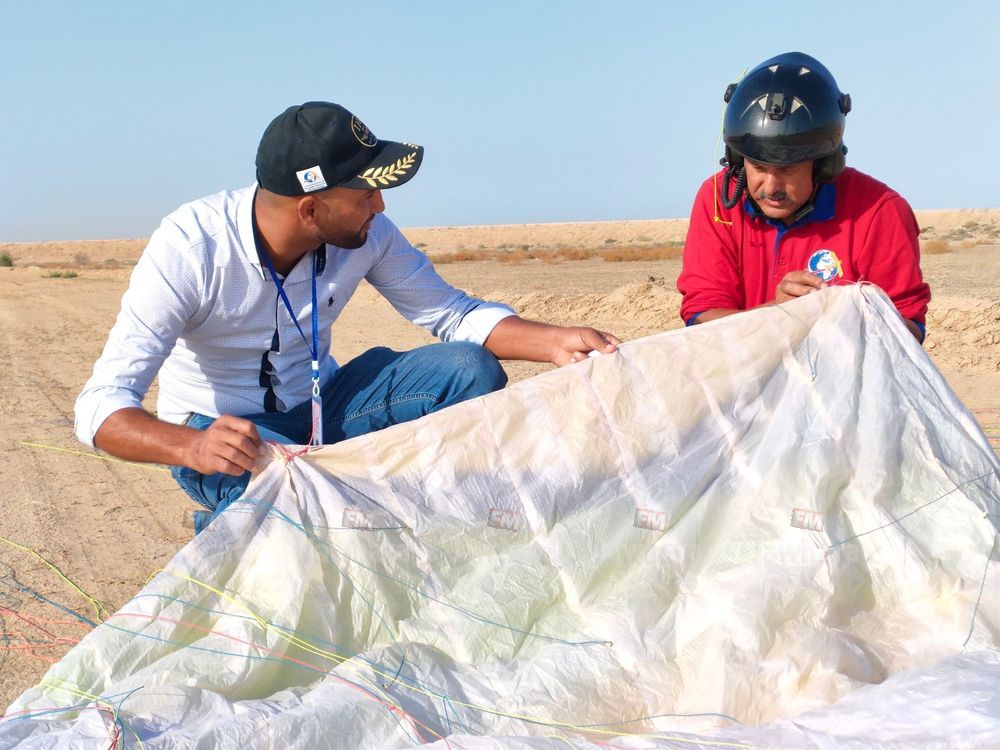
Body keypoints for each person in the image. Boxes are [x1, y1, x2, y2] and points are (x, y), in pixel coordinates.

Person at [75, 101, 620, 533]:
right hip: (232, 438)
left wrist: (554, 341)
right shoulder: (192, 248)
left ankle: (409, 507)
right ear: (310, 209)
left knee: (468, 368)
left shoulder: (368, 233)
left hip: (325, 408)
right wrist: (192, 447)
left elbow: (452, 314)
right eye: (365, 193)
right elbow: (99, 408)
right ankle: (233, 527)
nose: (380, 206)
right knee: (300, 516)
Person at [677, 52, 930, 341]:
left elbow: (908, 330)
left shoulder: (880, 211)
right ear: (736, 158)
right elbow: (702, 320)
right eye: (758, 167)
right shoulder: (717, 201)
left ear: (824, 165)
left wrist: (834, 318)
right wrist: (778, 314)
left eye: (787, 169)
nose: (770, 187)